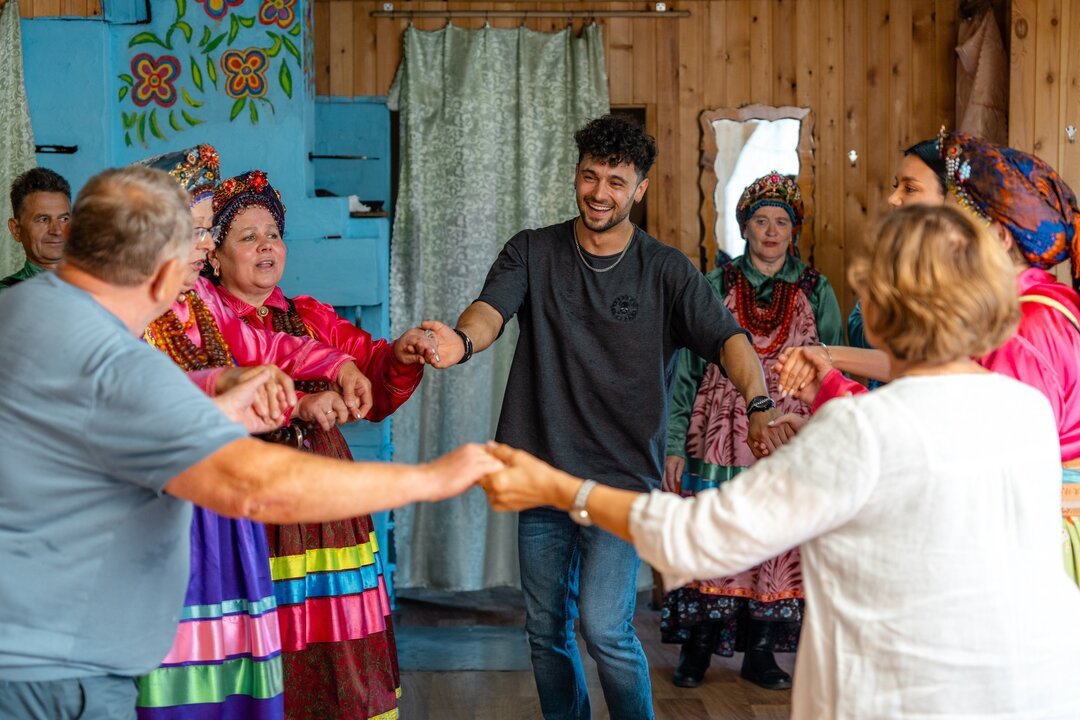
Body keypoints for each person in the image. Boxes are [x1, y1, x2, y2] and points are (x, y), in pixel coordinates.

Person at [479, 204, 1080, 720]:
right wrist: (813, 438)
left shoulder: (861, 429)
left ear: (879, 308)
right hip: (1042, 687)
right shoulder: (1024, 409)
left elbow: (697, 538)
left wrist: (559, 488)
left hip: (913, 697)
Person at [0, 165, 500, 720]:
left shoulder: (25, 310)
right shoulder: (116, 361)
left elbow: (149, 406)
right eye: (197, 239)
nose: (202, 252)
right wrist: (434, 479)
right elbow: (251, 486)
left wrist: (221, 384)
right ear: (160, 264)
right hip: (63, 664)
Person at [420, 114, 786, 720]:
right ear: (575, 175)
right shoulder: (532, 250)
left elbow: (729, 339)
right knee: (545, 628)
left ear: (639, 189)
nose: (599, 192)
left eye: (616, 182)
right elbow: (490, 310)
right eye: (590, 176)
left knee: (605, 628)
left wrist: (759, 402)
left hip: (621, 481)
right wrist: (458, 342)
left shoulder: (665, 270)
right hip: (540, 474)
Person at [778, 132, 1080, 586]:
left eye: (958, 224)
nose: (945, 236)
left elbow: (956, 457)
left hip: (1027, 545)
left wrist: (835, 403)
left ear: (999, 238)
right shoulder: (1029, 308)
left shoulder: (1023, 328)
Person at [208, 170, 425, 720]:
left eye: (272, 235)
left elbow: (370, 376)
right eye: (248, 236)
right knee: (257, 632)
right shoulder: (203, 322)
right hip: (249, 504)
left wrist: (399, 356)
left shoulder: (308, 317)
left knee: (336, 641)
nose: (266, 246)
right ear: (214, 256)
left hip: (327, 512)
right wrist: (300, 402)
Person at [661, 173, 842, 690]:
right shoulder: (713, 284)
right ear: (743, 227)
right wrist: (674, 441)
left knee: (777, 539)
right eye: (760, 220)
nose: (771, 231)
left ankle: (760, 651)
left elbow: (836, 370)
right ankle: (697, 646)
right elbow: (686, 370)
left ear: (794, 230)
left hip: (789, 432)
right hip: (718, 430)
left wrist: (831, 441)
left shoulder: (816, 289)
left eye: (781, 222)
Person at [847, 137, 947, 351]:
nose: (893, 198)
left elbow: (918, 355)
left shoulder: (966, 273)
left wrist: (829, 355)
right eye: (896, 186)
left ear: (948, 199)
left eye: (909, 188)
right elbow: (859, 325)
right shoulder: (892, 256)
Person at [1, 167, 71, 290]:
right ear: (16, 229)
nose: (57, 231)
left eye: (64, 219)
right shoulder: (7, 295)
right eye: (43, 219)